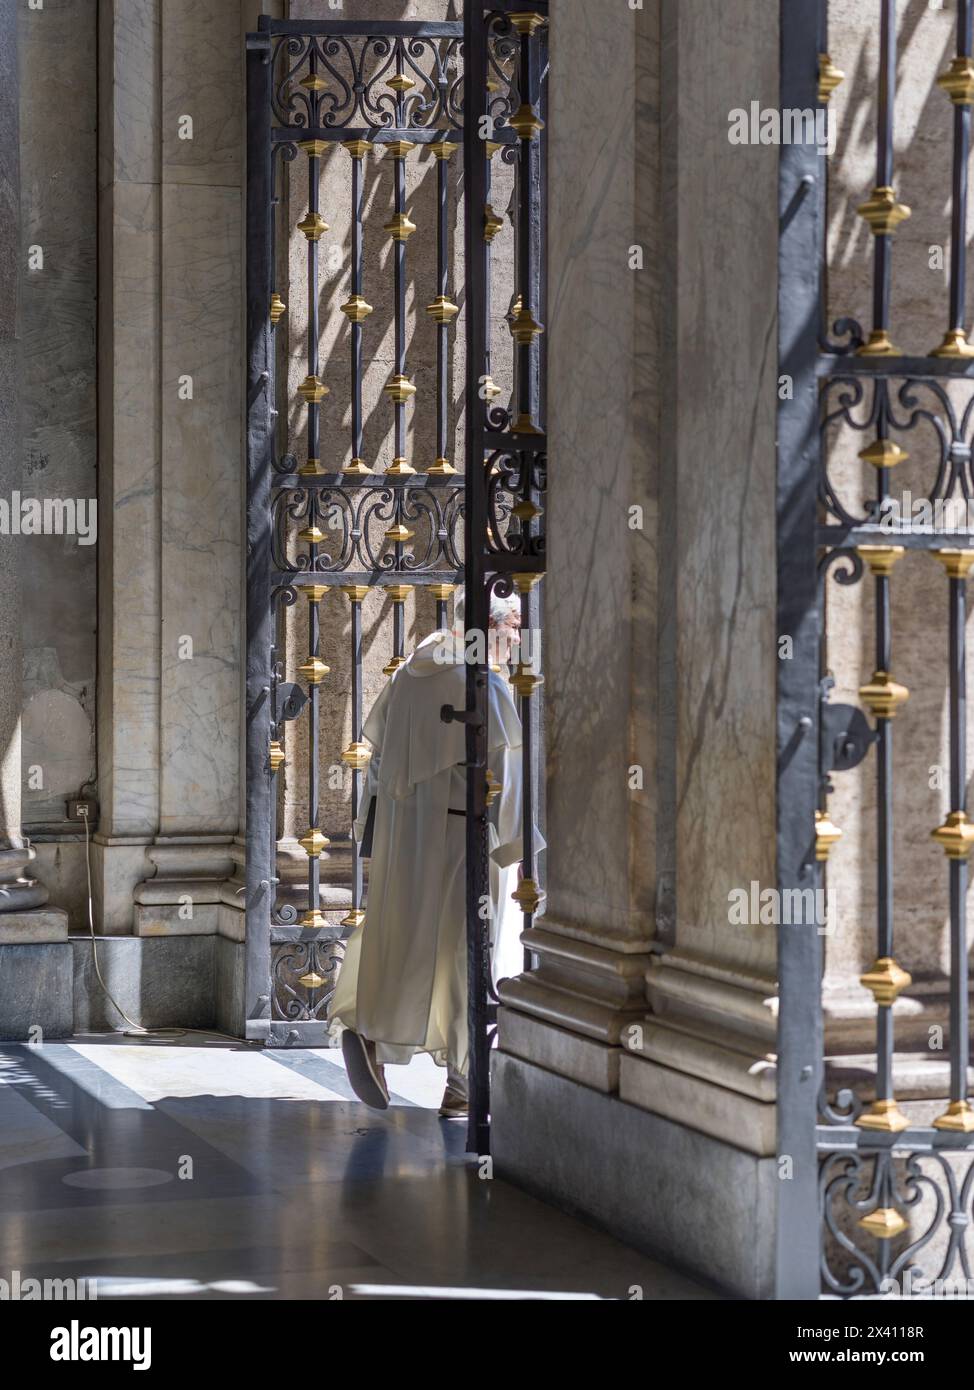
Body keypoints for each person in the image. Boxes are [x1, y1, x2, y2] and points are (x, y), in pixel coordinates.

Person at [329, 588, 530, 1118]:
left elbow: (375, 767)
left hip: (408, 842)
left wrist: (377, 831)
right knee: (469, 957)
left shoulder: (408, 677)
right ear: (493, 622)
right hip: (468, 844)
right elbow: (505, 776)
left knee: (402, 941)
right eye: (514, 629)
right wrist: (518, 847)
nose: (517, 641)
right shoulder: (484, 685)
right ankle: (463, 1085)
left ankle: (369, 1030)